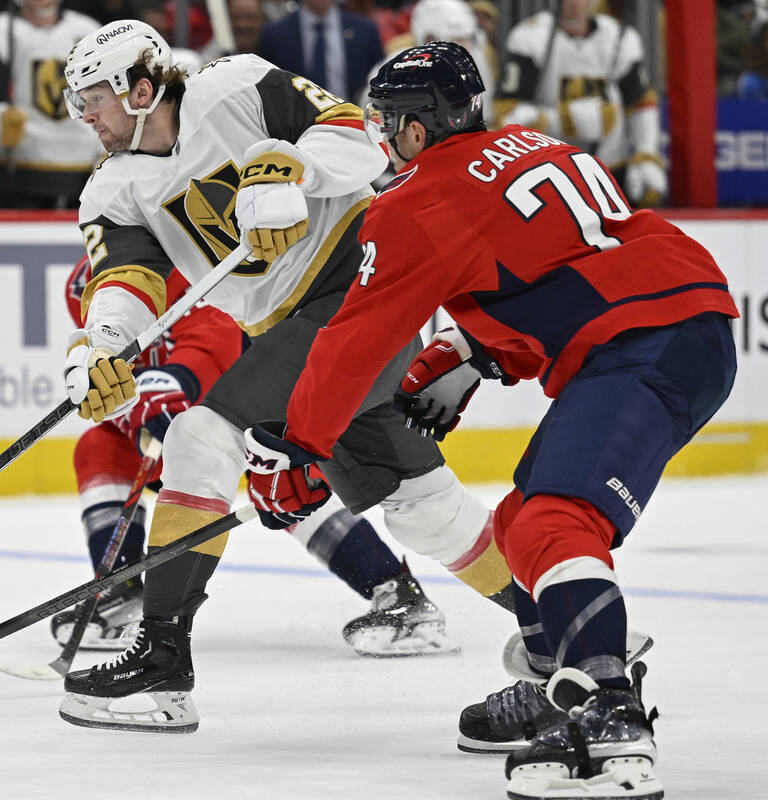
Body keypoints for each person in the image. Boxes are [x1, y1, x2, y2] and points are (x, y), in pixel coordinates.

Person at [248, 42, 737, 799]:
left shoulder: (414, 204)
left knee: (553, 522)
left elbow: (356, 338)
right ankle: (557, 681)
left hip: (641, 345)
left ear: (416, 129)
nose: (383, 138)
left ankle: (610, 709)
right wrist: (478, 353)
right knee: (515, 524)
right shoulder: (540, 146)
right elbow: (560, 265)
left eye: (387, 123)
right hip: (679, 320)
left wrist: (296, 444)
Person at [54, 21, 514, 733]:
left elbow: (359, 136)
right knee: (425, 506)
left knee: (201, 438)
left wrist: (289, 167)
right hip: (302, 329)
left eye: (93, 100)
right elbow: (123, 277)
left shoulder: (232, 86)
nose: (85, 117)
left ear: (141, 90)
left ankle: (163, 663)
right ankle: (563, 625)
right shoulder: (111, 188)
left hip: (364, 282)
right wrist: (106, 348)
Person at [56, 254, 457, 657]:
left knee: (284, 484)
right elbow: (105, 364)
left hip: (240, 405)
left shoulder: (195, 263)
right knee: (98, 447)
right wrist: (129, 404)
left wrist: (168, 385)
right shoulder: (85, 283)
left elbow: (212, 345)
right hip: (171, 422)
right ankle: (120, 588)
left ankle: (395, 591)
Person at [494, 0, 665, 208]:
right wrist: (559, 121)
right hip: (551, 172)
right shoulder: (529, 36)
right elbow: (506, 115)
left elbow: (640, 104)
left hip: (611, 168)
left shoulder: (621, 37)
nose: (574, 2)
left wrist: (646, 154)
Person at [0, 0, 102, 208]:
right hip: (15, 180)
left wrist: (107, 151)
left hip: (83, 179)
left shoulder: (90, 32)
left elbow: (104, 104)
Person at [257, 0, 383, 103]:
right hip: (296, 128)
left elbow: (379, 80)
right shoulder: (275, 34)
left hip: (354, 120)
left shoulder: (364, 31)